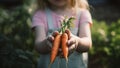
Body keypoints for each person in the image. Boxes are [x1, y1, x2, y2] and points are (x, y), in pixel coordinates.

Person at [31, 0, 92, 68]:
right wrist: (46, 43)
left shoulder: (82, 14)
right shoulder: (40, 15)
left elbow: (87, 43)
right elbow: (38, 45)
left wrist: (77, 42)